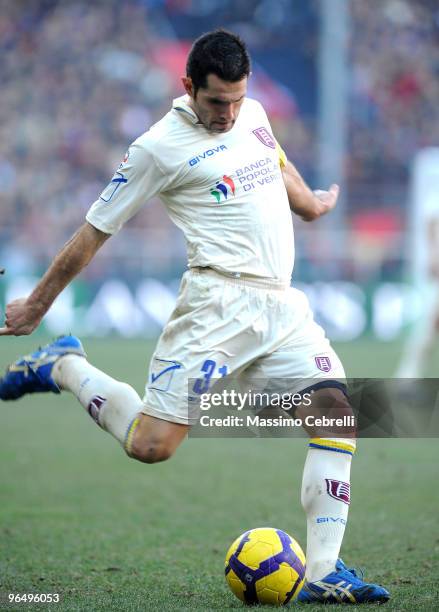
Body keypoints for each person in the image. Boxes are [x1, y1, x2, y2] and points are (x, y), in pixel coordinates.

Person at [0, 30, 389, 604]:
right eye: (216, 103)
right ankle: (65, 366)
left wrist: (311, 205)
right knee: (152, 446)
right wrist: (36, 304)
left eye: (236, 98)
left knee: (337, 416)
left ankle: (324, 571)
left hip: (282, 307)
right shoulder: (157, 148)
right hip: (215, 308)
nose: (229, 113)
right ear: (188, 86)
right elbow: (94, 231)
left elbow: (273, 160)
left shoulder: (252, 112)